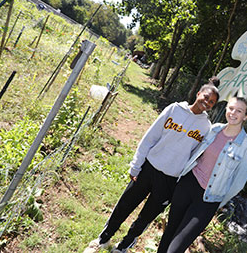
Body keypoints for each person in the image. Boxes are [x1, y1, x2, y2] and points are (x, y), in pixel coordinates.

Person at [84, 78, 220, 253]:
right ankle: (102, 239)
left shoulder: (206, 128)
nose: (207, 103)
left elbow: (195, 158)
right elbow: (150, 137)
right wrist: (136, 165)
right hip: (149, 168)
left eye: (211, 102)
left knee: (146, 217)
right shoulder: (174, 109)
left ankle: (123, 246)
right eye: (206, 97)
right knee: (125, 204)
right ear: (198, 93)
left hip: (170, 181)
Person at [157, 97, 247, 253]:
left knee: (177, 246)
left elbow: (239, 182)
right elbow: (196, 153)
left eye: (239, 111)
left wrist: (218, 202)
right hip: (188, 185)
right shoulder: (214, 129)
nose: (233, 113)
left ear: (246, 116)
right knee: (169, 231)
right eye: (231, 108)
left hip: (208, 200)